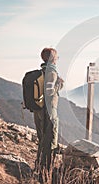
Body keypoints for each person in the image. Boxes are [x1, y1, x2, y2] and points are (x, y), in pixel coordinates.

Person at [33, 47, 64, 176]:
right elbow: (49, 92)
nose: (57, 59)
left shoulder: (41, 71)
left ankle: (40, 167)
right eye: (56, 57)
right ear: (52, 58)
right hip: (49, 112)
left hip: (38, 110)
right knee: (50, 142)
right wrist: (59, 84)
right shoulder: (51, 72)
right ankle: (46, 172)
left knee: (42, 140)